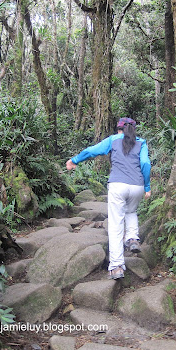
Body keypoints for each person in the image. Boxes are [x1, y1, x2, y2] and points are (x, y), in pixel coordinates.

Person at [66, 117, 151, 280]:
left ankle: (117, 266)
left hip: (117, 186)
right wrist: (147, 187)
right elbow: (146, 163)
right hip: (137, 186)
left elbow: (93, 150)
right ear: (134, 129)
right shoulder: (142, 142)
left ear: (119, 129)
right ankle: (132, 237)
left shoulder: (113, 140)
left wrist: (74, 160)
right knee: (131, 211)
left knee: (115, 224)